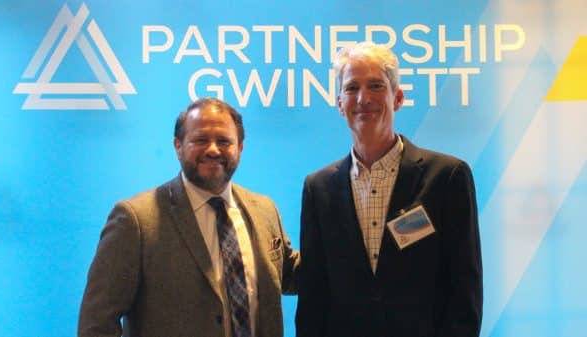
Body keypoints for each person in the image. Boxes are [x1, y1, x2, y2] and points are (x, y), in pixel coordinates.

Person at [295, 42, 482, 337]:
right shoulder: (318, 189)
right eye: (352, 87)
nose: (363, 97)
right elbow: (314, 297)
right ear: (339, 102)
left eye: (376, 86)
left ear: (398, 98)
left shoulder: (447, 178)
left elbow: (464, 291)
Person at [78, 97, 299, 337]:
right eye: (201, 140)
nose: (213, 149)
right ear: (178, 146)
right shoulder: (136, 221)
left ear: (240, 147)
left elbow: (292, 275)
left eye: (224, 141)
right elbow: (97, 323)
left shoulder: (264, 210)